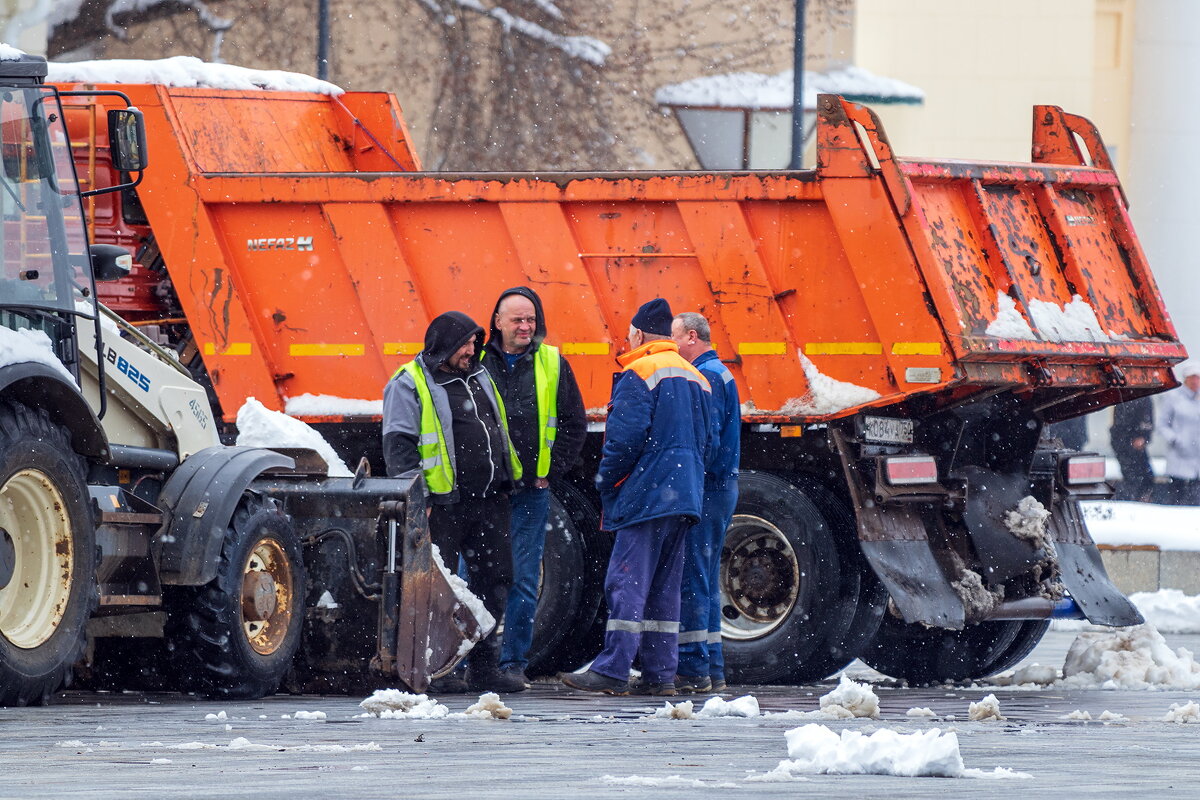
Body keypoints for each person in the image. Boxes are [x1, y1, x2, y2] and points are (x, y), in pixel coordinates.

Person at [562, 298, 712, 696]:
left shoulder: (639, 372)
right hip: (684, 496)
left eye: (628, 335)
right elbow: (708, 442)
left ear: (641, 335)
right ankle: (661, 675)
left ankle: (612, 670)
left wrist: (607, 481)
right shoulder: (696, 377)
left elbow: (624, 441)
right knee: (665, 587)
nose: (626, 342)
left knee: (626, 581)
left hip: (647, 495)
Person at [382, 310, 527, 694]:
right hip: (443, 505)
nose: (471, 350)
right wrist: (418, 501)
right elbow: (398, 445)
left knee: (495, 580)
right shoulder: (409, 383)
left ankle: (484, 669)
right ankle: (438, 670)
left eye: (474, 343)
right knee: (437, 589)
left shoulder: (478, 375)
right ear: (444, 346)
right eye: (464, 343)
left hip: (490, 500)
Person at [480, 287, 586, 687]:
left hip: (531, 493)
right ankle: (466, 664)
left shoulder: (553, 362)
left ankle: (511, 666)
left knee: (523, 580)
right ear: (498, 322)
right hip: (484, 495)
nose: (526, 327)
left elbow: (574, 425)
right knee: (467, 579)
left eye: (531, 319)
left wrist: (552, 471)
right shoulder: (476, 362)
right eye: (517, 320)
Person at [670, 311, 739, 694]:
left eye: (675, 338)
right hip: (722, 486)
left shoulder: (706, 376)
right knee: (706, 576)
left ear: (692, 337)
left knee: (693, 576)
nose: (672, 346)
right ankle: (712, 666)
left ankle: (694, 667)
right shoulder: (722, 372)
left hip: (710, 487)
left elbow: (707, 439)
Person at [1157, 363, 1200, 506]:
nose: (1195, 382)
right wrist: (1175, 439)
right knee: (1177, 493)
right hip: (1179, 453)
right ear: (1185, 379)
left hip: (1197, 454)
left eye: (1198, 378)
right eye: (1192, 378)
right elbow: (1162, 424)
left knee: (1195, 495)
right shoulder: (1173, 397)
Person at [1111, 396, 1155, 502]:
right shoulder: (1127, 397)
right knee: (1135, 477)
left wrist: (1143, 436)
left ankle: (1139, 498)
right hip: (1125, 442)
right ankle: (1135, 500)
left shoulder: (1140, 397)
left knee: (1143, 477)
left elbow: (1147, 420)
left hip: (1128, 441)